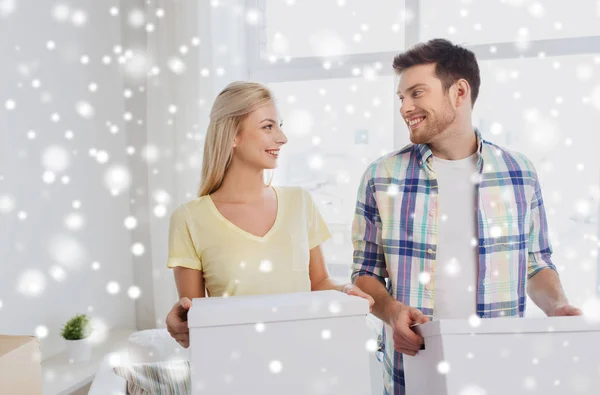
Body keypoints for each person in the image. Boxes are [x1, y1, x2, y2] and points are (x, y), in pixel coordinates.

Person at [351, 38, 583, 395]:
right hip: (413, 368)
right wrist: (391, 311)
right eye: (401, 98)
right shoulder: (382, 176)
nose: (405, 108)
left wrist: (558, 305)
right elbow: (365, 274)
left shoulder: (519, 172)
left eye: (416, 93)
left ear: (459, 91)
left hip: (498, 365)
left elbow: (536, 264)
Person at [165, 81, 374, 348]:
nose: (282, 138)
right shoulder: (189, 219)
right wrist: (180, 323)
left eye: (279, 125)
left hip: (305, 356)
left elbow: (318, 281)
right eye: (268, 126)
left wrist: (345, 291)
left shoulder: (300, 202)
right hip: (235, 368)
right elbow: (195, 324)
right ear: (233, 135)